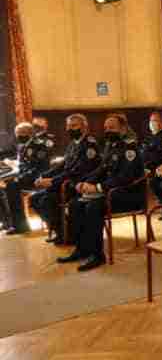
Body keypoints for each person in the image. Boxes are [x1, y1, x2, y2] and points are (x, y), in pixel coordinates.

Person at [57, 114, 145, 271]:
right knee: (75, 204)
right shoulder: (111, 146)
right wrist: (86, 182)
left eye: (112, 128)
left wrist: (98, 188)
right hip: (111, 192)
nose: (108, 131)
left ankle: (97, 256)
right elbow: (101, 169)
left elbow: (125, 178)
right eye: (106, 128)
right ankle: (81, 249)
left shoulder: (130, 148)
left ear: (123, 129)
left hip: (129, 195)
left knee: (93, 207)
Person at [30, 114, 101, 244]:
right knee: (34, 199)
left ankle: (68, 235)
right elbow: (63, 165)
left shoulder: (90, 145)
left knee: (48, 200)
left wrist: (52, 181)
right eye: (68, 126)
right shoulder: (73, 144)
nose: (69, 129)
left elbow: (77, 172)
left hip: (79, 184)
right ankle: (63, 231)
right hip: (65, 182)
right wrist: (45, 176)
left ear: (84, 128)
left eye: (74, 126)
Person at [0, 122, 51, 234]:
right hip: (26, 176)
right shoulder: (24, 146)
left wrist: (19, 177)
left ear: (30, 133)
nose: (19, 136)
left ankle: (20, 226)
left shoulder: (39, 145)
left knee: (11, 185)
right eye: (17, 133)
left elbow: (38, 168)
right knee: (3, 186)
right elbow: (23, 165)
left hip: (37, 178)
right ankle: (7, 222)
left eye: (22, 133)